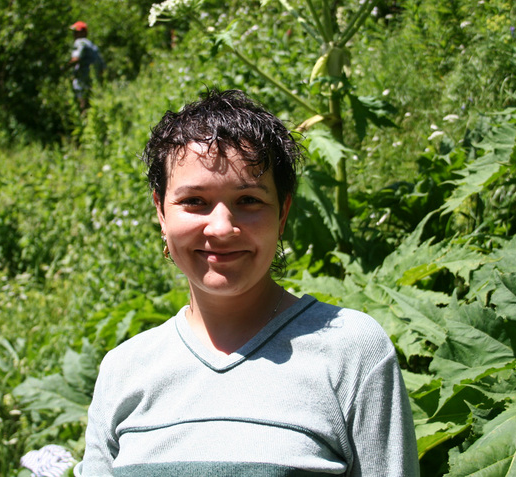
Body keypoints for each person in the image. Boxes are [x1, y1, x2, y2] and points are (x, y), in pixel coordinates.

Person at [75, 89, 419, 476]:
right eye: (194, 201)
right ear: (161, 212)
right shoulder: (122, 371)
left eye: (249, 200)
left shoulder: (354, 354)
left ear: (283, 213)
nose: (221, 228)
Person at [68, 21, 105, 112]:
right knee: (92, 100)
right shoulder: (92, 45)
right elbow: (102, 65)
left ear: (83, 33)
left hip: (83, 77)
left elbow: (76, 58)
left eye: (76, 32)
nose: (74, 34)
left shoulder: (80, 42)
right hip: (93, 78)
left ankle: (83, 115)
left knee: (81, 98)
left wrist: (63, 68)